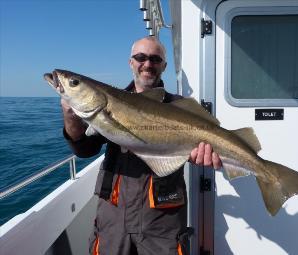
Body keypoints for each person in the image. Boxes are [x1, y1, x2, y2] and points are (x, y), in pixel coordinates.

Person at [61, 36, 221, 255]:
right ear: (130, 62)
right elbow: (84, 149)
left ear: (164, 65)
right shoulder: (109, 103)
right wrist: (70, 116)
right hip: (114, 214)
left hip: (162, 219)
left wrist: (202, 156)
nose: (148, 64)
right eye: (141, 57)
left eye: (155, 59)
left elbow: (200, 148)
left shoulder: (179, 107)